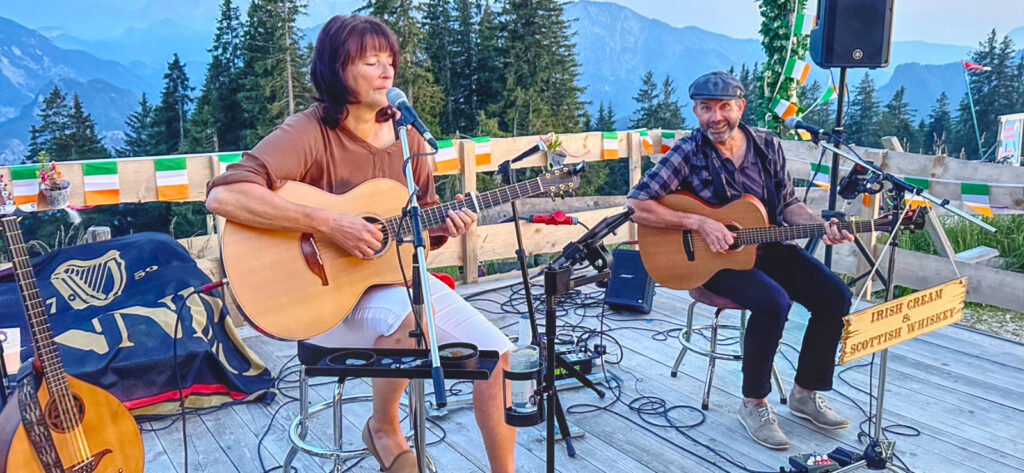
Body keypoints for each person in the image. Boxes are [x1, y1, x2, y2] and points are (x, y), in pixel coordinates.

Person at [205, 15, 515, 473]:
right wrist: (330, 223)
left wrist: (444, 227)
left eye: (389, 61)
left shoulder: (408, 137)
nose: (386, 72)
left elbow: (415, 232)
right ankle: (384, 426)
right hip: (317, 298)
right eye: (371, 61)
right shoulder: (310, 131)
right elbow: (224, 195)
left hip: (388, 286)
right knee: (415, 320)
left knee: (497, 356)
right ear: (337, 69)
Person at [626, 71, 855, 450]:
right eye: (705, 108)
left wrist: (819, 226)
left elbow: (787, 205)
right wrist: (699, 221)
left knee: (835, 296)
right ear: (696, 111)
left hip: (767, 246)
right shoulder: (689, 151)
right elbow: (637, 205)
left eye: (723, 107)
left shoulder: (767, 145)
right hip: (711, 260)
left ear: (740, 107)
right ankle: (754, 403)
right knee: (773, 302)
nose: (715, 117)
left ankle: (805, 393)